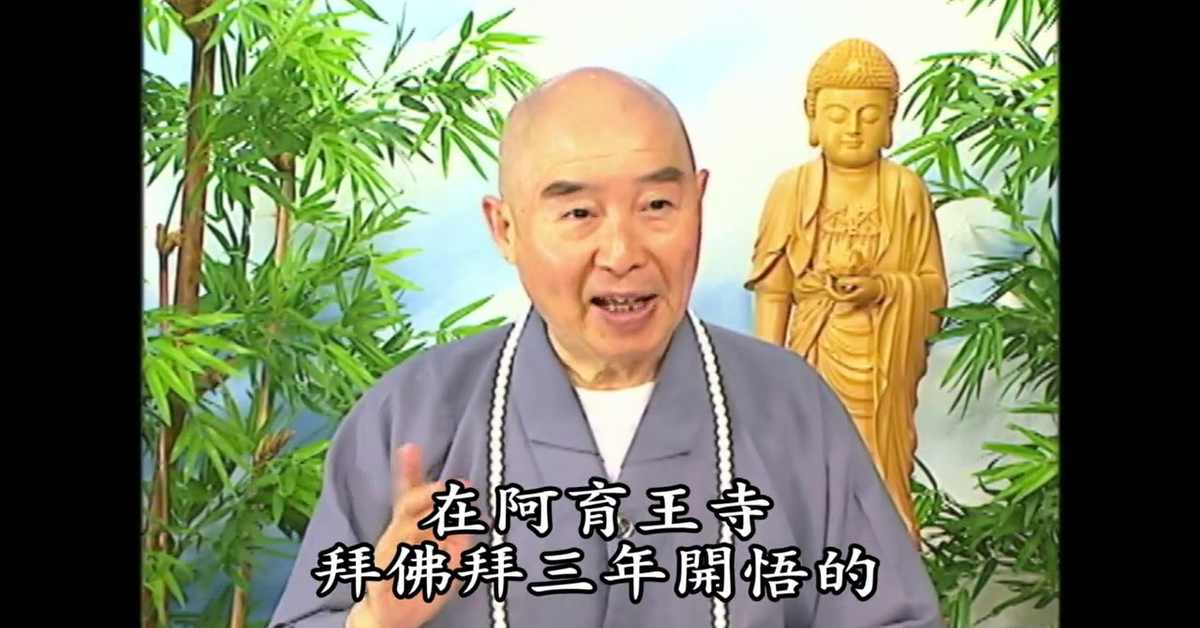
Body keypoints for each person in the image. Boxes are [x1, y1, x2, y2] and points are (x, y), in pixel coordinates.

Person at [268, 67, 945, 628]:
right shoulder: (412, 417)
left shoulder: (793, 408)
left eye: (657, 206)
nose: (623, 253)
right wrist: (376, 619)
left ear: (699, 203)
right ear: (505, 229)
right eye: (578, 213)